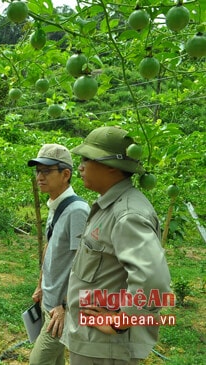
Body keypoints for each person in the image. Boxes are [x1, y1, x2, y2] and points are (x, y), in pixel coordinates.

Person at [62, 126, 172, 364]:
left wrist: (122, 320)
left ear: (111, 166)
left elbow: (154, 279)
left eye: (86, 159)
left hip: (105, 348)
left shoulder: (127, 214)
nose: (79, 167)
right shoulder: (110, 206)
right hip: (94, 342)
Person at [27, 144, 90, 365]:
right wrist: (41, 284)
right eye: (38, 171)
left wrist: (65, 305)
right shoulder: (56, 205)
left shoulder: (78, 211)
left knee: (38, 361)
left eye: (46, 171)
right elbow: (50, 246)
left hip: (62, 308)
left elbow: (83, 263)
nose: (40, 177)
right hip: (50, 300)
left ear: (66, 174)